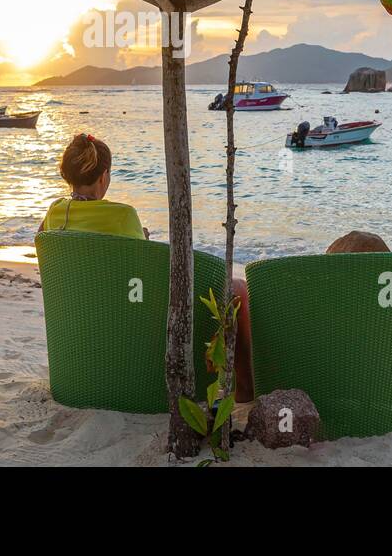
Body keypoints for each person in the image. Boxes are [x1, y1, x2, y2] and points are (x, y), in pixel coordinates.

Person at [40, 133, 253, 402]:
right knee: (238, 290)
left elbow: (43, 240)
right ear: (104, 176)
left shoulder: (54, 212)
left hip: (85, 324)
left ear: (67, 175)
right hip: (129, 324)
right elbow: (140, 270)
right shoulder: (123, 216)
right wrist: (143, 236)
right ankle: (245, 391)